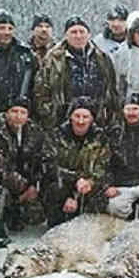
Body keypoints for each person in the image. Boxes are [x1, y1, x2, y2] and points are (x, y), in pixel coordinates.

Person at [0, 97, 46, 247]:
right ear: (6, 113)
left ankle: (16, 215)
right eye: (14, 111)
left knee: (36, 216)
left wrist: (35, 185)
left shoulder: (36, 132)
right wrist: (25, 188)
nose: (18, 116)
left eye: (23, 112)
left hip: (26, 185)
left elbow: (43, 160)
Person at [33, 15, 119, 129]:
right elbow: (41, 92)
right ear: (66, 35)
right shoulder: (53, 59)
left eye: (82, 31)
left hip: (97, 122)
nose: (78, 36)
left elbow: (111, 91)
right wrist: (50, 115)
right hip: (61, 123)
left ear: (89, 34)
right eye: (73, 32)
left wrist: (108, 116)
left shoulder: (102, 58)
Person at [40, 96, 111, 228]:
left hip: (87, 188)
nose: (81, 121)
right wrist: (74, 183)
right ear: (70, 117)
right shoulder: (55, 135)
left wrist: (87, 185)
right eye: (77, 116)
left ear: (92, 119)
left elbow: (104, 168)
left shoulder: (101, 138)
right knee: (55, 190)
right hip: (62, 185)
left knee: (99, 201)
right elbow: (48, 165)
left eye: (85, 117)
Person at [0, 9, 37, 119]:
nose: (6, 32)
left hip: (19, 117)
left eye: (10, 28)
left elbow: (35, 87)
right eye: (2, 28)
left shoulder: (26, 54)